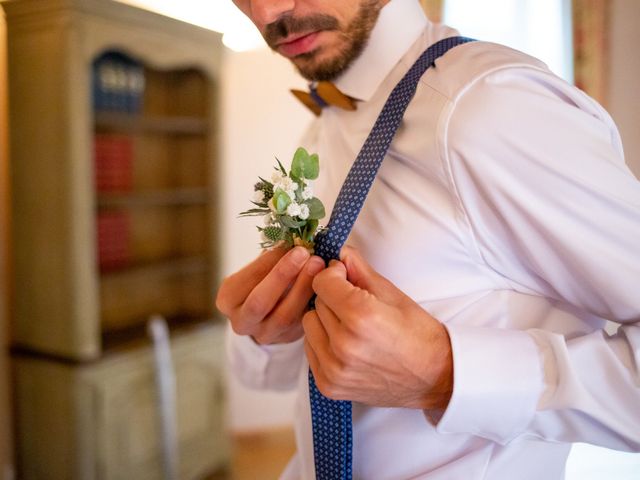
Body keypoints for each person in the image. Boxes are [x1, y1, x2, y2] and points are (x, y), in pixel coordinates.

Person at [216, 0, 640, 478]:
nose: (269, 11)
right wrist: (266, 332)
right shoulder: (320, 127)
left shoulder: (491, 108)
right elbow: (282, 379)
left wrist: (446, 376)